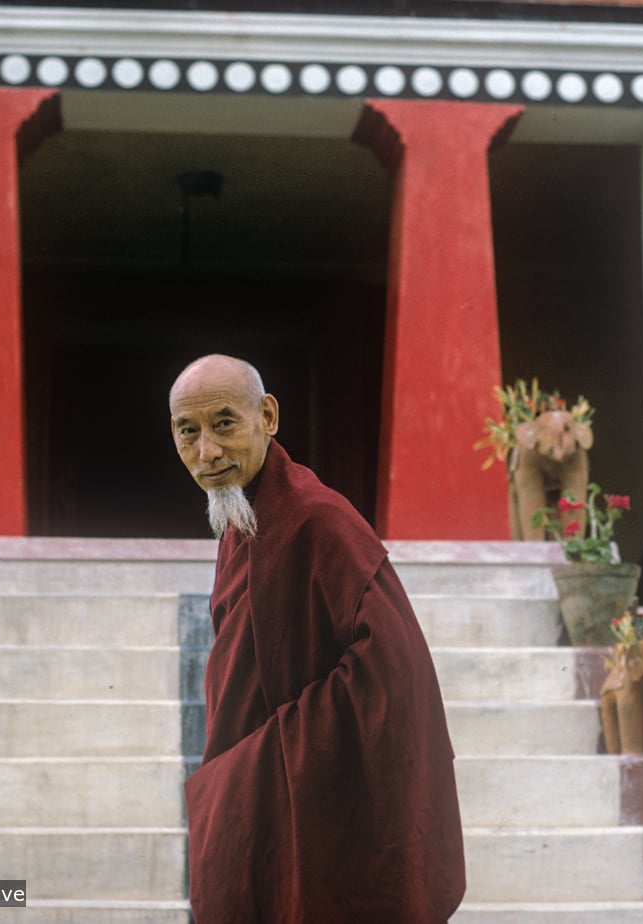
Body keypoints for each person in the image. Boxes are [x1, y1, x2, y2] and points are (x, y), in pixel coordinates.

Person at [169, 354, 466, 924]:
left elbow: (394, 672)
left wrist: (265, 759)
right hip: (257, 794)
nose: (207, 452)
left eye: (224, 424)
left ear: (269, 417)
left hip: (294, 799)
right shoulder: (245, 520)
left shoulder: (318, 519)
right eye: (189, 431)